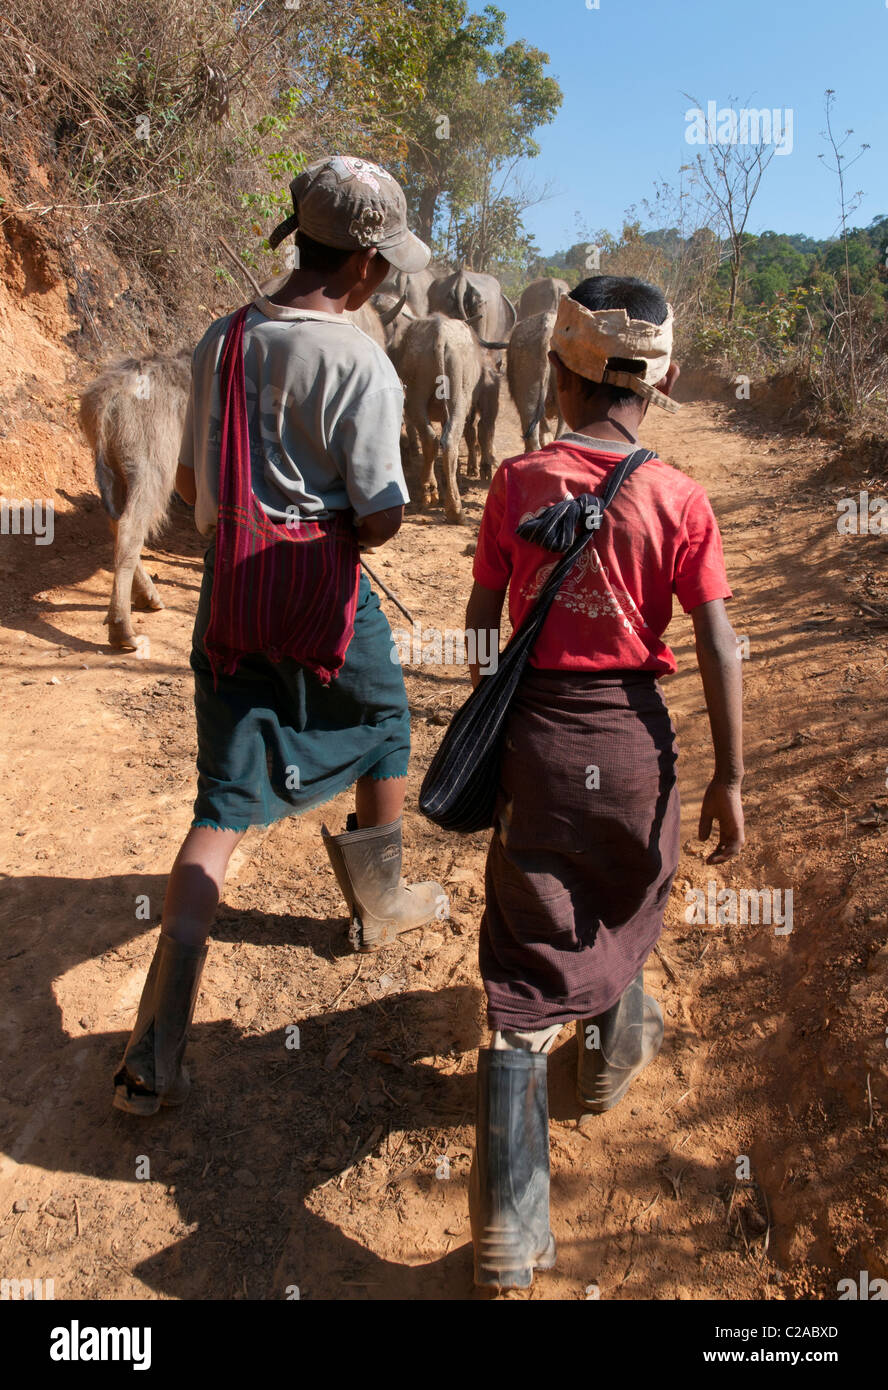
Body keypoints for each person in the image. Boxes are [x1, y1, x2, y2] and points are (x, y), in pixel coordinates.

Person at [113, 155, 448, 1117]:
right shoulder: (361, 363)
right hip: (321, 592)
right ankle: (378, 906)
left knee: (220, 804)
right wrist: (344, 515)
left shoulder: (220, 339)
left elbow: (194, 477)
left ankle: (157, 1044)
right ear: (364, 268)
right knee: (384, 720)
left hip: (229, 590)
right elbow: (380, 515)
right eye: (385, 266)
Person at [463, 274, 744, 1289]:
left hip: (537, 733)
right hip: (634, 741)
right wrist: (731, 780)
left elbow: (482, 615)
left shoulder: (518, 481)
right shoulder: (680, 497)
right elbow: (718, 642)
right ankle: (613, 1055)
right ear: (661, 386)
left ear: (560, 371)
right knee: (632, 883)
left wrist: (494, 719)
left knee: (531, 923)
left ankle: (508, 1216)